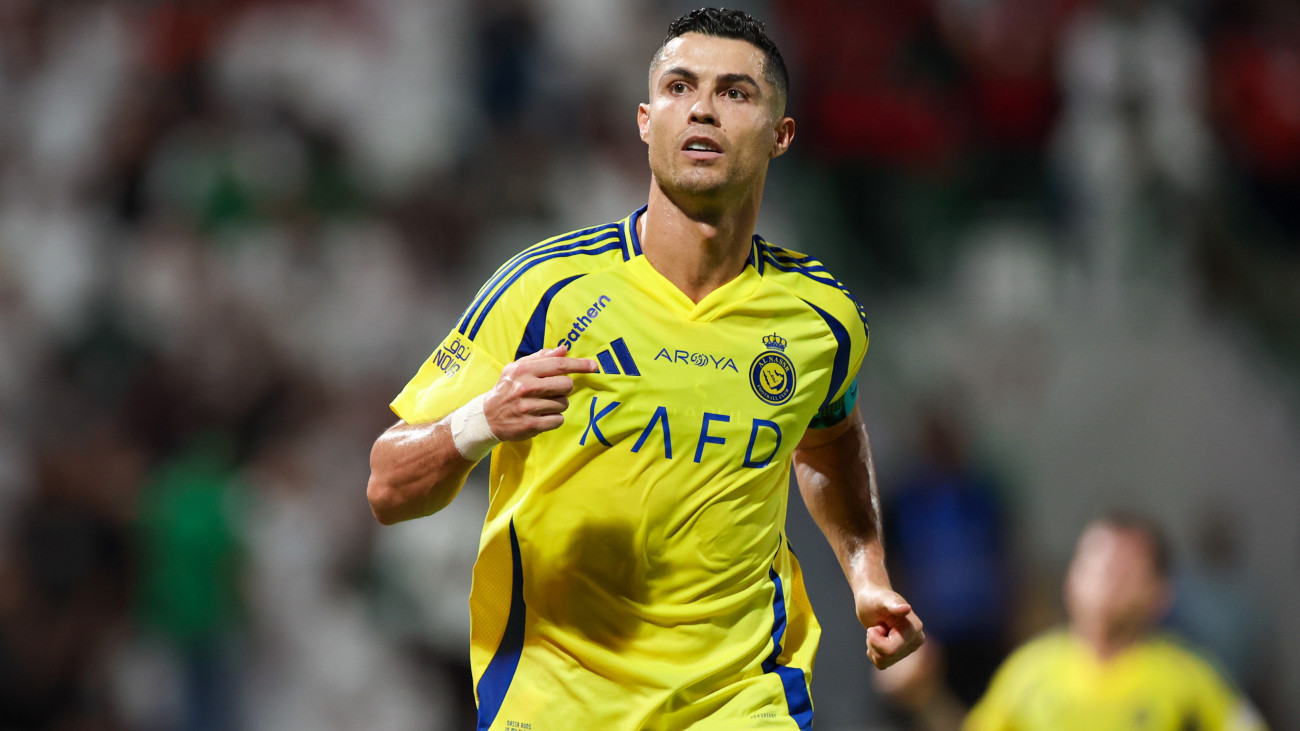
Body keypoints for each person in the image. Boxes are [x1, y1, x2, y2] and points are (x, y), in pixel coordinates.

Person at [366, 8, 923, 730]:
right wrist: (480, 420)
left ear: (781, 136)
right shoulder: (543, 291)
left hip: (741, 696)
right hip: (558, 695)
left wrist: (867, 572)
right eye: (680, 86)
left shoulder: (821, 319)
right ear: (644, 120)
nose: (702, 108)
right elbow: (385, 486)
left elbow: (828, 438)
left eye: (735, 93)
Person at [875, 513, 1267, 731]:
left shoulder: (1192, 680)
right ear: (1070, 579)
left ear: (1158, 595)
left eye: (1125, 568)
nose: (1106, 577)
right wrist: (925, 697)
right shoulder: (1028, 671)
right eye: (1095, 562)